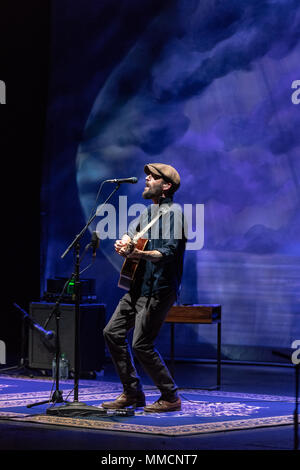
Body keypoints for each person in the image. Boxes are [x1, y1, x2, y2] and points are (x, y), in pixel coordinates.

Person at [102, 163, 186, 412]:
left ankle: (170, 397)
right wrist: (124, 242)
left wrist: (139, 253)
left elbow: (168, 253)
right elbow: (131, 233)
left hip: (158, 289)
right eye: (148, 176)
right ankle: (133, 393)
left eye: (153, 177)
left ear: (166, 186)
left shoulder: (175, 214)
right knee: (112, 332)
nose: (147, 179)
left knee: (141, 344)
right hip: (137, 287)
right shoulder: (148, 213)